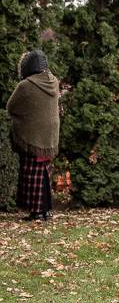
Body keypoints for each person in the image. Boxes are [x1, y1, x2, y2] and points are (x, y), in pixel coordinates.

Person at [6, 51, 60, 222]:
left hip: (33, 136)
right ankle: (46, 210)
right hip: (50, 135)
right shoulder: (54, 81)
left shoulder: (25, 85)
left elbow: (11, 106)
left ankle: (36, 211)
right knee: (45, 172)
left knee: (32, 173)